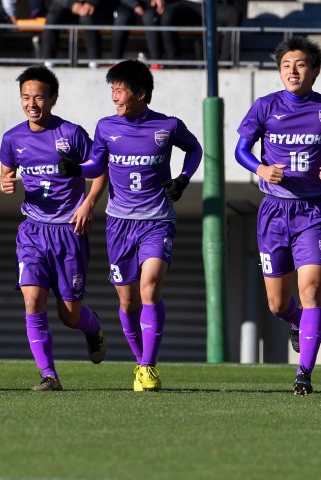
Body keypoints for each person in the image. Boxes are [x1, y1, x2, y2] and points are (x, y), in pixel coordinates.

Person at [57, 59, 203, 391]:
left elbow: (194, 149)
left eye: (119, 91)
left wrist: (183, 179)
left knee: (150, 286)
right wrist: (75, 169)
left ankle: (149, 366)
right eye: (112, 91)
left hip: (157, 222)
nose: (114, 98)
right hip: (119, 224)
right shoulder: (106, 127)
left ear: (140, 93)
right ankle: (140, 363)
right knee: (127, 301)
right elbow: (96, 164)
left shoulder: (167, 126)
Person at [235, 36, 321, 396]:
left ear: (314, 70)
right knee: (276, 304)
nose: (293, 70)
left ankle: (304, 374)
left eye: (301, 64)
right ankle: (299, 324)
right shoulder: (265, 105)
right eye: (287, 64)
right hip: (273, 211)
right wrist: (261, 169)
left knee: (312, 290)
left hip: (314, 211)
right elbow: (241, 149)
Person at [0, 64, 108, 391]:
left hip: (68, 233)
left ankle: (93, 330)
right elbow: (6, 176)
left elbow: (99, 169)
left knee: (70, 316)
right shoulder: (12, 138)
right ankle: (50, 376)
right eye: (26, 97)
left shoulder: (71, 134)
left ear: (53, 98)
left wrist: (87, 205)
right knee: (33, 300)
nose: (32, 104)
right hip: (32, 231)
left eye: (40, 97)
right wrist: (5, 183)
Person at [161, 0, 241, 65]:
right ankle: (175, 63)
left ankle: (223, 64)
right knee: (167, 14)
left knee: (233, 15)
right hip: (183, 5)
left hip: (210, 5)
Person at [42, 0, 117, 69]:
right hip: (68, 6)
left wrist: (91, 3)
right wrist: (71, 4)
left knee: (87, 18)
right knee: (52, 17)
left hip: (96, 7)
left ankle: (94, 62)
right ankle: (49, 62)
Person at [111, 0, 165, 67]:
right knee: (121, 20)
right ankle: (116, 61)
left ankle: (156, 62)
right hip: (127, 3)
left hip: (150, 4)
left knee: (150, 19)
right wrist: (135, 5)